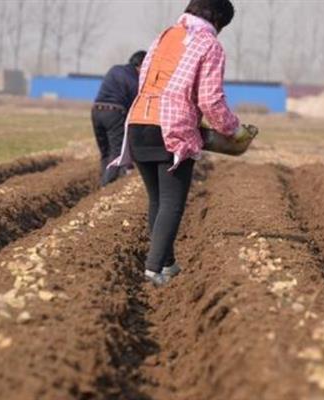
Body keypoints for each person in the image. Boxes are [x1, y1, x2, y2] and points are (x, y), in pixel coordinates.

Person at [109, 0, 256, 286]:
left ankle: (167, 263)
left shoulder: (165, 35)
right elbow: (210, 99)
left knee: (158, 200)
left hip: (139, 122)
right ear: (217, 20)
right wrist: (234, 129)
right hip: (172, 128)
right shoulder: (209, 44)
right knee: (172, 203)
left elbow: (145, 81)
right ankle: (153, 271)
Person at [92, 50, 146, 186]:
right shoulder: (135, 81)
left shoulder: (115, 69)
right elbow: (136, 106)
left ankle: (105, 178)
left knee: (105, 151)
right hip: (114, 113)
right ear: (141, 65)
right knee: (117, 152)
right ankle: (106, 184)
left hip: (96, 111)